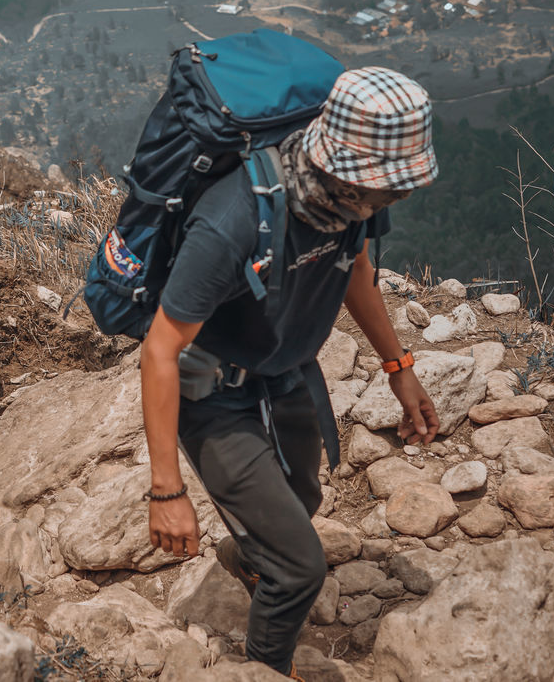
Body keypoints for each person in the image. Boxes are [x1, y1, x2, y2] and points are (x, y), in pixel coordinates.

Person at [139, 67, 440, 679]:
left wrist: (398, 367)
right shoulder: (232, 221)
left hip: (289, 375)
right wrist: (166, 491)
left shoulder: (351, 202)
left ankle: (252, 558)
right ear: (345, 168)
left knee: (300, 504)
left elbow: (356, 271)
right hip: (211, 392)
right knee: (301, 566)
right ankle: (266, 666)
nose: (397, 198)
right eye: (389, 187)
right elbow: (160, 349)